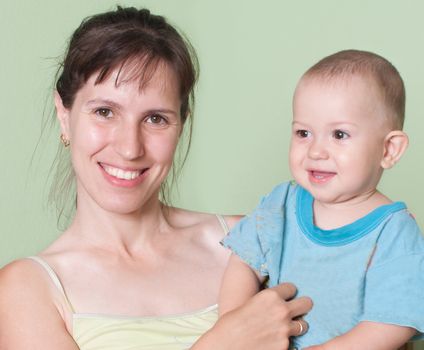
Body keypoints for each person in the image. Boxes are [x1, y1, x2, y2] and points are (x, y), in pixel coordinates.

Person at [0, 6, 313, 350]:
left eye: (155, 119)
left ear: (181, 125)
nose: (130, 148)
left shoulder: (248, 242)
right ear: (64, 114)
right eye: (104, 112)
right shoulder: (28, 290)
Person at [219, 49, 424, 349]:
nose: (315, 151)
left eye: (339, 135)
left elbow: (391, 325)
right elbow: (243, 264)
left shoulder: (395, 233)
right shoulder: (282, 204)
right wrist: (235, 327)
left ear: (388, 150)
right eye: (303, 133)